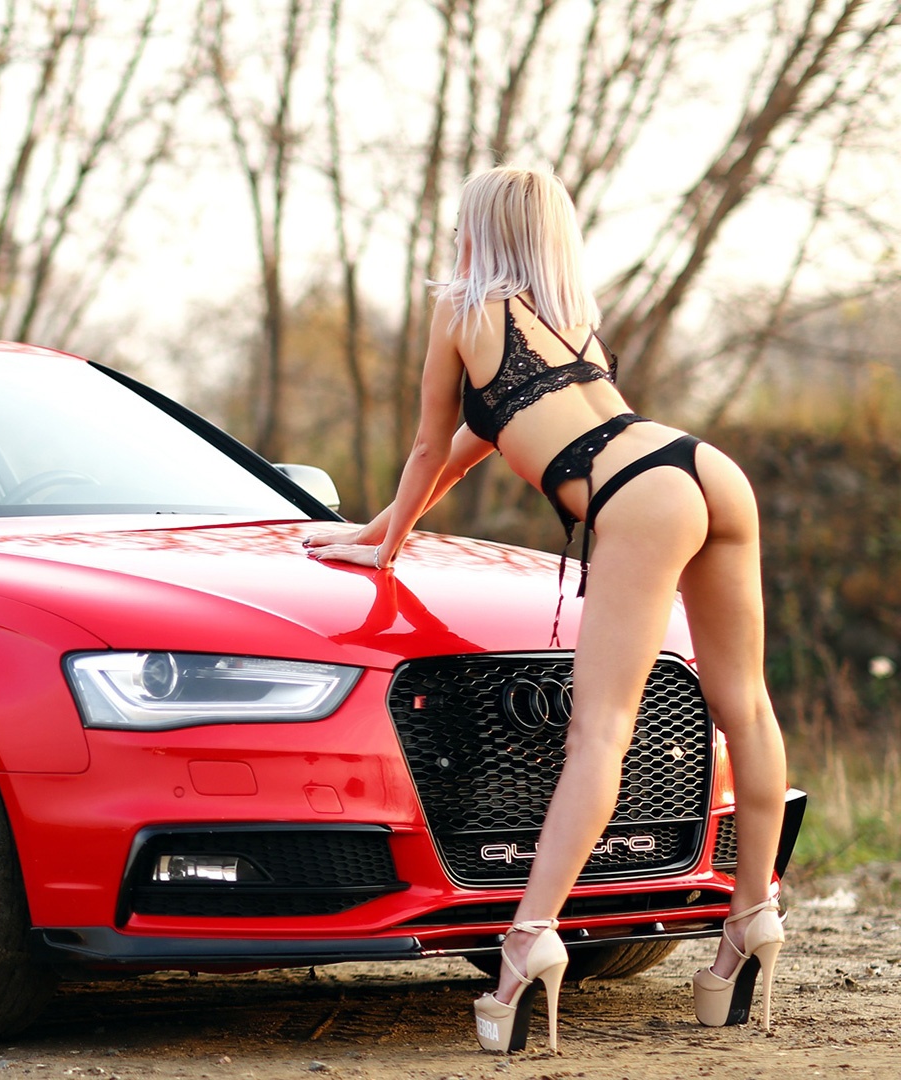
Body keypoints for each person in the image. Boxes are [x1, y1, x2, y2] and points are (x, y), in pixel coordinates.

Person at [303, 165, 789, 1053]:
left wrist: (384, 547)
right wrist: (381, 529)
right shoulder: (574, 317)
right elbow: (471, 445)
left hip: (637, 498)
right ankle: (749, 920)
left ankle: (528, 942)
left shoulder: (462, 308)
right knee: (746, 709)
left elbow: (423, 445)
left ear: (477, 228)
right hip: (704, 468)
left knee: (599, 730)